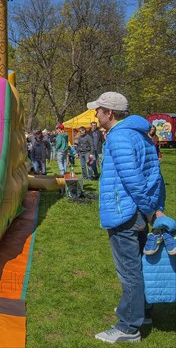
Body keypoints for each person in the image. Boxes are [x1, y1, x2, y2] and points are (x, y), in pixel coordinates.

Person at [86, 92, 166, 344]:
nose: (95, 114)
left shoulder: (120, 136)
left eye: (98, 110)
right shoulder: (140, 135)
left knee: (129, 272)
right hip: (138, 212)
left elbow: (133, 180)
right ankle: (144, 313)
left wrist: (150, 210)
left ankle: (129, 326)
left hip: (125, 214)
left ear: (109, 113)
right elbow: (155, 176)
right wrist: (153, 208)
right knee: (140, 267)